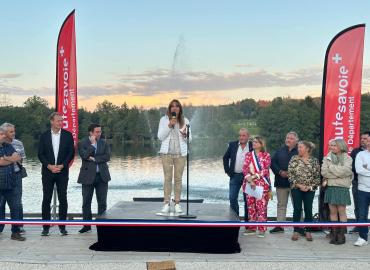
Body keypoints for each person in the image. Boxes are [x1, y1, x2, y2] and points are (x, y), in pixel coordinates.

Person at [38, 112, 75, 236]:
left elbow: (71, 153)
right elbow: (40, 154)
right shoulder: (44, 136)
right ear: (51, 121)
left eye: (62, 121)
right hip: (48, 171)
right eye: (58, 120)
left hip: (62, 171)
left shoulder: (68, 135)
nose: (61, 123)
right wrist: (49, 166)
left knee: (63, 198)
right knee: (46, 199)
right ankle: (45, 227)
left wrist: (62, 165)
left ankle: (62, 227)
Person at [157, 99, 191, 214]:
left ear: (180, 108)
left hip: (180, 154)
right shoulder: (164, 120)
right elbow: (160, 137)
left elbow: (190, 139)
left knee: (178, 179)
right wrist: (169, 125)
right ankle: (166, 204)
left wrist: (186, 135)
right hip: (166, 154)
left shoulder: (185, 120)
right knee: (167, 178)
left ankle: (177, 203)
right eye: (172, 106)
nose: (175, 108)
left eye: (177, 106)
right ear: (170, 108)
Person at [77, 124, 111, 233]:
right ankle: (87, 226)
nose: (99, 134)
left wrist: (94, 159)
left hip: (102, 176)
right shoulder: (82, 143)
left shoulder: (103, 142)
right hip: (87, 177)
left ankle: (102, 226)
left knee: (102, 203)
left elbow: (107, 157)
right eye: (97, 132)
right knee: (86, 202)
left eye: (100, 131)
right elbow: (84, 156)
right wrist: (92, 145)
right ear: (91, 133)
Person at [321, 139, 353, 245]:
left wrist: (331, 168)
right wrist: (339, 173)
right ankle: (334, 235)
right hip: (331, 188)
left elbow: (347, 171)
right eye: (331, 145)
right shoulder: (327, 158)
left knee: (342, 211)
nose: (332, 147)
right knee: (333, 212)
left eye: (334, 145)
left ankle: (341, 236)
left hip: (342, 188)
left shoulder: (348, 158)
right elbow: (324, 173)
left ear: (341, 146)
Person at [288, 141, 320, 241]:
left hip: (309, 189)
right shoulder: (294, 159)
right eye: (298, 147)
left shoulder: (314, 161)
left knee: (308, 209)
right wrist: (299, 185)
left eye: (301, 147)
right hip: (296, 188)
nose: (298, 149)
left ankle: (308, 231)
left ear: (307, 149)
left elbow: (317, 177)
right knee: (297, 209)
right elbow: (290, 174)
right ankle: (296, 231)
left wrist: (309, 187)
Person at [270, 131, 299, 234]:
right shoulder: (280, 150)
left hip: (295, 184)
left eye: (291, 138)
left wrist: (290, 174)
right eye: (287, 138)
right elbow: (272, 162)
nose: (288, 140)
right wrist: (279, 171)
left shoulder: (300, 151)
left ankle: (299, 227)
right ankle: (279, 226)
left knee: (297, 206)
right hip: (280, 182)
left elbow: (303, 165)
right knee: (281, 205)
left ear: (296, 141)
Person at [242, 136, 271, 238]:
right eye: (253, 142)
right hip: (249, 184)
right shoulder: (248, 155)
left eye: (256, 142)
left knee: (261, 207)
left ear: (261, 144)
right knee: (251, 207)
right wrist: (249, 180)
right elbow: (245, 168)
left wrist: (253, 177)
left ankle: (262, 229)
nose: (254, 144)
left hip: (262, 185)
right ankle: (252, 228)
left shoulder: (266, 155)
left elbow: (265, 170)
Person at [0, 123, 26, 234]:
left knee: (17, 202)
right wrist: (12, 159)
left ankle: (18, 226)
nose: (13, 133)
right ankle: (1, 227)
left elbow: (20, 158)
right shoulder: (3, 145)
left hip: (16, 175)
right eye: (11, 132)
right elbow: (1, 162)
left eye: (13, 131)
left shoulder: (17, 144)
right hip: (3, 176)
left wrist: (7, 159)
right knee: (1, 203)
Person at [223, 128, 253, 221]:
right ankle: (235, 220)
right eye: (240, 135)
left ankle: (247, 223)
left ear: (248, 136)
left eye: (243, 135)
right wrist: (228, 171)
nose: (241, 137)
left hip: (248, 177)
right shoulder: (233, 145)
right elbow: (225, 157)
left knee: (247, 200)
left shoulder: (252, 145)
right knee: (232, 198)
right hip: (235, 176)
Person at [350, 131, 370, 234]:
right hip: (358, 183)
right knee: (359, 207)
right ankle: (359, 226)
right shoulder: (356, 152)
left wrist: (365, 167)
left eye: (365, 138)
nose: (363, 140)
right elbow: (355, 168)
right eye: (362, 138)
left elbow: (363, 168)